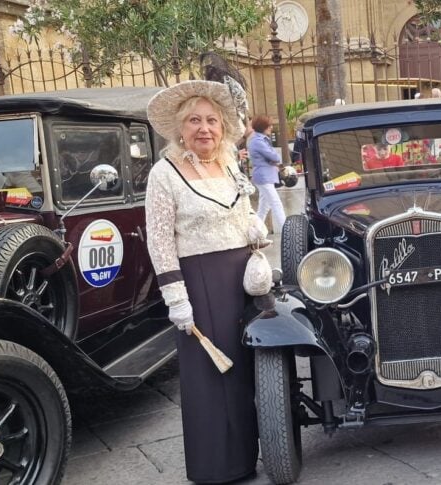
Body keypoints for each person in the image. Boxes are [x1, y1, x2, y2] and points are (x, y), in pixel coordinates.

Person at [145, 79, 267, 484]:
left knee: (245, 368)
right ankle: (215, 467)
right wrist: (176, 298)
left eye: (212, 120)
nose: (204, 128)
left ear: (223, 127)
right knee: (211, 376)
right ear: (181, 128)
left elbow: (243, 210)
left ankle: (246, 458)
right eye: (195, 120)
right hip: (200, 283)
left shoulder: (230, 163)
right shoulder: (164, 173)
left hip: (241, 279)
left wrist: (253, 228)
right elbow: (160, 240)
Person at [247, 114, 286, 234]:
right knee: (276, 203)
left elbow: (273, 157)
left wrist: (273, 158)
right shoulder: (258, 141)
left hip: (266, 176)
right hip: (263, 177)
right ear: (262, 126)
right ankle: (287, 230)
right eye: (269, 126)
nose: (271, 128)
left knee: (264, 207)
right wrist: (273, 158)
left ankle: (256, 232)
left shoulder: (261, 140)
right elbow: (274, 156)